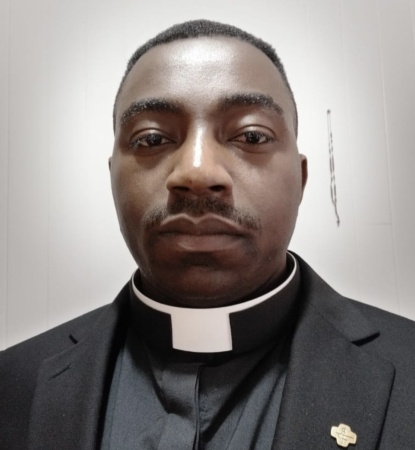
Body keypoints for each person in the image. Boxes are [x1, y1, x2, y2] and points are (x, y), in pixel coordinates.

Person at [1, 19, 415, 450]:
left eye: (251, 135)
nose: (197, 172)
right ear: (112, 179)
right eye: (152, 139)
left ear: (302, 179)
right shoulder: (12, 384)